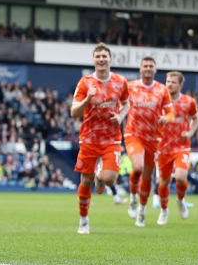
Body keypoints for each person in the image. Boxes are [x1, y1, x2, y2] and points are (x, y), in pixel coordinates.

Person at [70, 43, 130, 234]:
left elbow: (127, 104)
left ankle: (100, 176)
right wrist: (87, 99)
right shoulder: (85, 82)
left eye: (105, 56)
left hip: (111, 138)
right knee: (85, 182)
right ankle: (83, 221)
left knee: (110, 179)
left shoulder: (121, 82)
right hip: (88, 138)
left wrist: (121, 116)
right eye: (98, 57)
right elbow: (73, 113)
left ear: (110, 59)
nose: (101, 59)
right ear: (93, 60)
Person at [124, 57, 174, 227]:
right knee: (137, 168)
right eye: (145, 65)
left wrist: (165, 119)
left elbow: (171, 114)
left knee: (147, 177)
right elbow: (120, 104)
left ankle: (141, 212)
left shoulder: (162, 90)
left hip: (154, 139)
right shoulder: (130, 86)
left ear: (155, 69)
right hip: (134, 134)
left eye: (151, 66)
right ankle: (132, 198)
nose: (148, 68)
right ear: (140, 69)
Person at [156, 72, 198, 225]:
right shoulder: (160, 101)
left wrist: (191, 132)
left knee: (180, 177)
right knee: (164, 182)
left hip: (181, 146)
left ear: (180, 85)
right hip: (163, 148)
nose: (170, 84)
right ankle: (164, 210)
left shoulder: (189, 101)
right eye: (168, 81)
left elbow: (195, 118)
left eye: (173, 82)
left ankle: (180, 201)